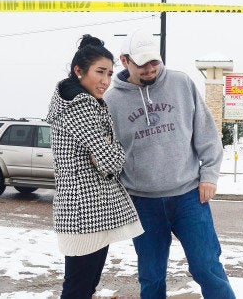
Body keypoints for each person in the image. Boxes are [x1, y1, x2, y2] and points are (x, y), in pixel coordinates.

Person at [103, 29, 236, 299]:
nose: (151, 69)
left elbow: (207, 134)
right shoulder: (111, 101)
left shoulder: (181, 83)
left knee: (207, 267)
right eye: (142, 64)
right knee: (151, 276)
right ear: (124, 61)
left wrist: (209, 175)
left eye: (154, 61)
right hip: (142, 202)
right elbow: (108, 153)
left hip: (188, 197)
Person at [46, 34, 143, 298]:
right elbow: (110, 161)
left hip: (89, 210)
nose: (106, 81)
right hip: (83, 212)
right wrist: (114, 150)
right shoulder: (80, 106)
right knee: (78, 288)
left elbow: (105, 158)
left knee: (85, 286)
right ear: (79, 71)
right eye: (100, 72)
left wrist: (108, 152)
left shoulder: (82, 102)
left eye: (110, 74)